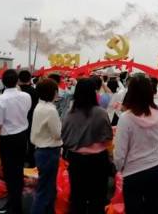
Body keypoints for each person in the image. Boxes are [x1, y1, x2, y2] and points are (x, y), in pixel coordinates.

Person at [114, 75, 158, 214]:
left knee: (133, 209)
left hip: (133, 172)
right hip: (155, 169)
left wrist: (120, 169)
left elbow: (120, 152)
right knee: (154, 209)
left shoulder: (126, 118)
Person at [61, 78, 113, 214]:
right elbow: (108, 137)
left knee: (78, 198)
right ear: (93, 92)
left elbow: (65, 138)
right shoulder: (101, 113)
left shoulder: (70, 114)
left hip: (77, 161)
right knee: (98, 198)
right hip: (98, 161)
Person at [0, 69, 32, 214]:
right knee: (17, 171)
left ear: (2, 82)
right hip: (22, 137)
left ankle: (14, 206)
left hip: (8, 139)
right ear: (18, 80)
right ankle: (14, 202)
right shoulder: (26, 96)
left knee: (9, 173)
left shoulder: (0, 100)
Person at [30, 78, 62, 214]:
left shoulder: (40, 106)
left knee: (48, 188)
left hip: (41, 151)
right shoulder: (50, 110)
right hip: (49, 152)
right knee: (45, 191)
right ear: (54, 92)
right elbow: (58, 134)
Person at [19, 70, 39, 168]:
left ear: (19, 79)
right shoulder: (34, 92)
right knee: (31, 142)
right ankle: (31, 162)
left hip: (18, 120)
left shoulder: (17, 91)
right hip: (31, 119)